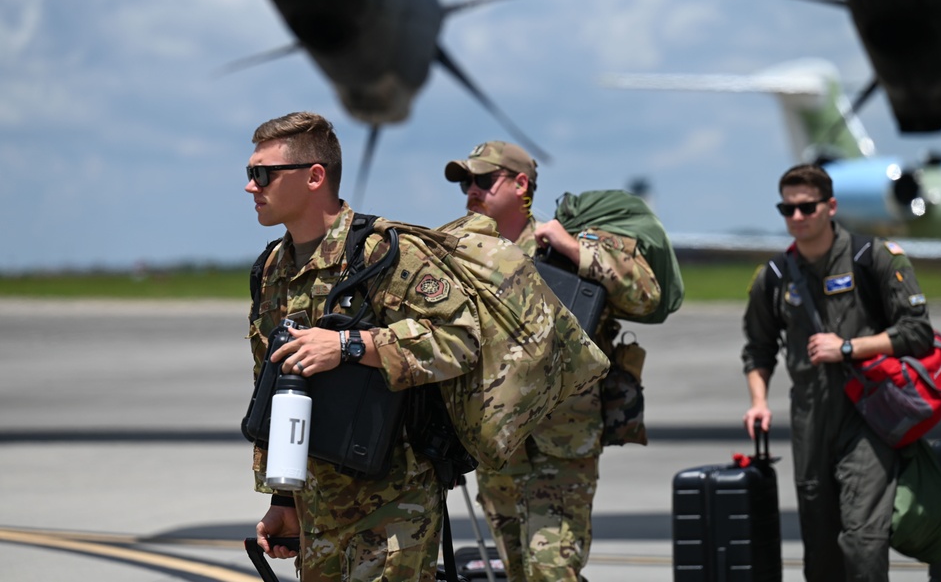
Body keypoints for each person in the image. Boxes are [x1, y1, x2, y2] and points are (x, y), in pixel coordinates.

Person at [245, 111, 481, 581]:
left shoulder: (384, 254)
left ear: (314, 177)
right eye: (250, 174)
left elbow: (462, 338)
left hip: (394, 504)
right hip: (316, 505)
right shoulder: (272, 270)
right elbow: (274, 386)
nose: (252, 186)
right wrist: (282, 498)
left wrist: (351, 345)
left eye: (263, 173)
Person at [443, 140, 662, 582]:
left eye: (483, 180)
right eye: (465, 181)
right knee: (519, 570)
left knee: (552, 570)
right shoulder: (459, 253)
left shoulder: (565, 246)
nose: (471, 190)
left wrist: (577, 253)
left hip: (561, 440)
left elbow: (646, 297)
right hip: (497, 445)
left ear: (521, 184)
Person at [741, 163, 934, 581]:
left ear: (830, 206)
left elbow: (918, 332)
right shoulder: (773, 278)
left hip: (867, 413)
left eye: (806, 207)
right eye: (787, 209)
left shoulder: (874, 258)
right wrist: (758, 401)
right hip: (810, 419)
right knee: (820, 544)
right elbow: (757, 348)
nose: (796, 217)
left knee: (863, 538)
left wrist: (848, 347)